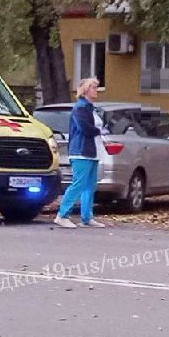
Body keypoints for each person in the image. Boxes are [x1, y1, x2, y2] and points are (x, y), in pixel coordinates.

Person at [54, 78, 105, 229]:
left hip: (92, 151)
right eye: (94, 88)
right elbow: (85, 128)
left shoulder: (90, 108)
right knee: (79, 183)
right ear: (86, 90)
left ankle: (87, 217)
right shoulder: (81, 108)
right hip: (81, 151)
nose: (96, 90)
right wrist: (100, 131)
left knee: (90, 185)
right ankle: (62, 215)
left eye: (96, 87)